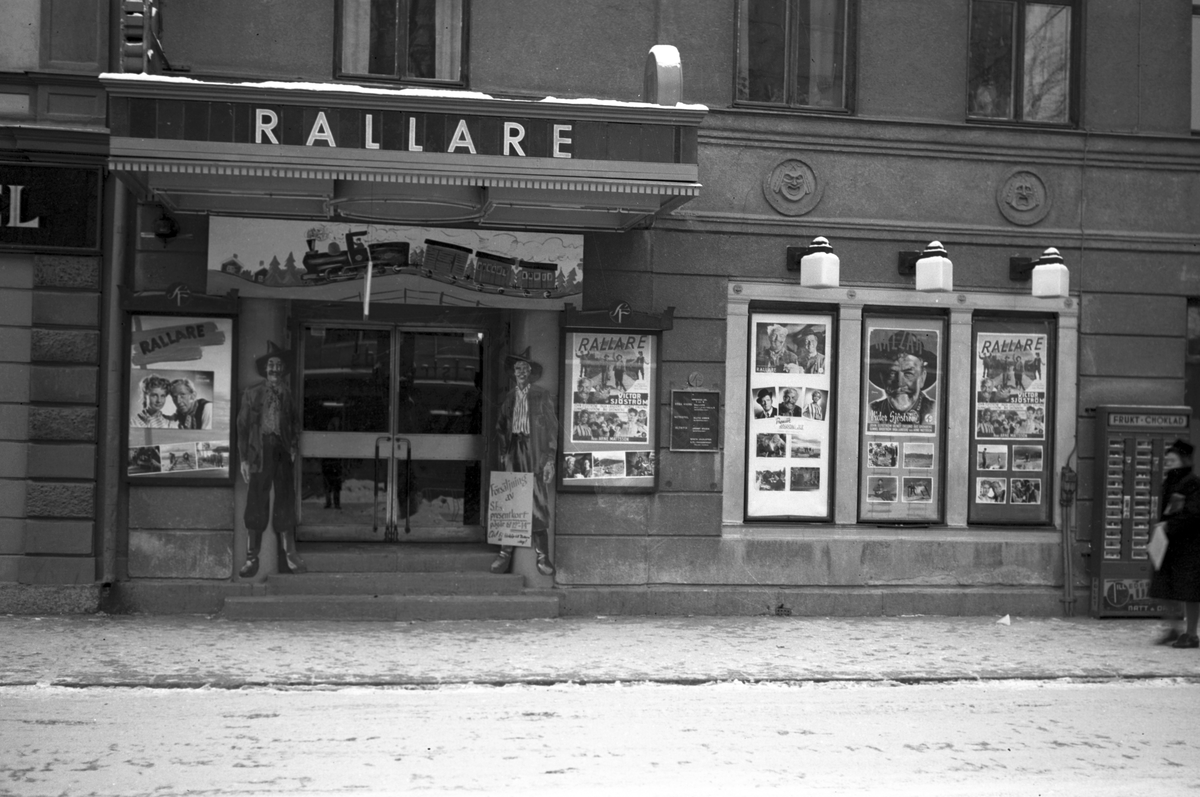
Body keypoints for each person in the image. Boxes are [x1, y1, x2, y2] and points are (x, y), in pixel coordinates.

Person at [237, 341, 306, 578]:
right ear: (265, 369)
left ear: (283, 369)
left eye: (278, 365)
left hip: (282, 450)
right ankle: (251, 557)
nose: (275, 369)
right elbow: (242, 427)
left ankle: (290, 554)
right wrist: (244, 459)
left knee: (285, 497)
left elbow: (295, 423)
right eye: (271, 365)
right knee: (257, 498)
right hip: (259, 450)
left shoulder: (288, 394)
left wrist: (293, 446)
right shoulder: (252, 393)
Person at [491, 348, 558, 577]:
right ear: (513, 373)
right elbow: (500, 426)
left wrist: (549, 459)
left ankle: (542, 555)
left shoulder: (541, 395)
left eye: (524, 369)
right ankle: (505, 554)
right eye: (517, 368)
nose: (520, 372)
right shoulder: (510, 397)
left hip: (534, 450)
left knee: (537, 499)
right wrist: (504, 452)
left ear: (530, 373)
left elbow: (552, 429)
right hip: (514, 451)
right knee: (511, 499)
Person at [1149, 439, 1200, 648]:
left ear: (1183, 461)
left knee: (1190, 592)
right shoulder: (1170, 481)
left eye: (1173, 460)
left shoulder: (1192, 483)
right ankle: (1173, 628)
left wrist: (1168, 525)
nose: (1168, 463)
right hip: (1169, 544)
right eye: (1167, 460)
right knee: (1164, 586)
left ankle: (1191, 634)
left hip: (1188, 546)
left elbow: (1193, 514)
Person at [868, 331, 937, 428]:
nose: (900, 383)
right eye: (892, 373)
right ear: (882, 378)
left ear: (922, 377)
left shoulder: (936, 412)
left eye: (908, 373)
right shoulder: (870, 412)